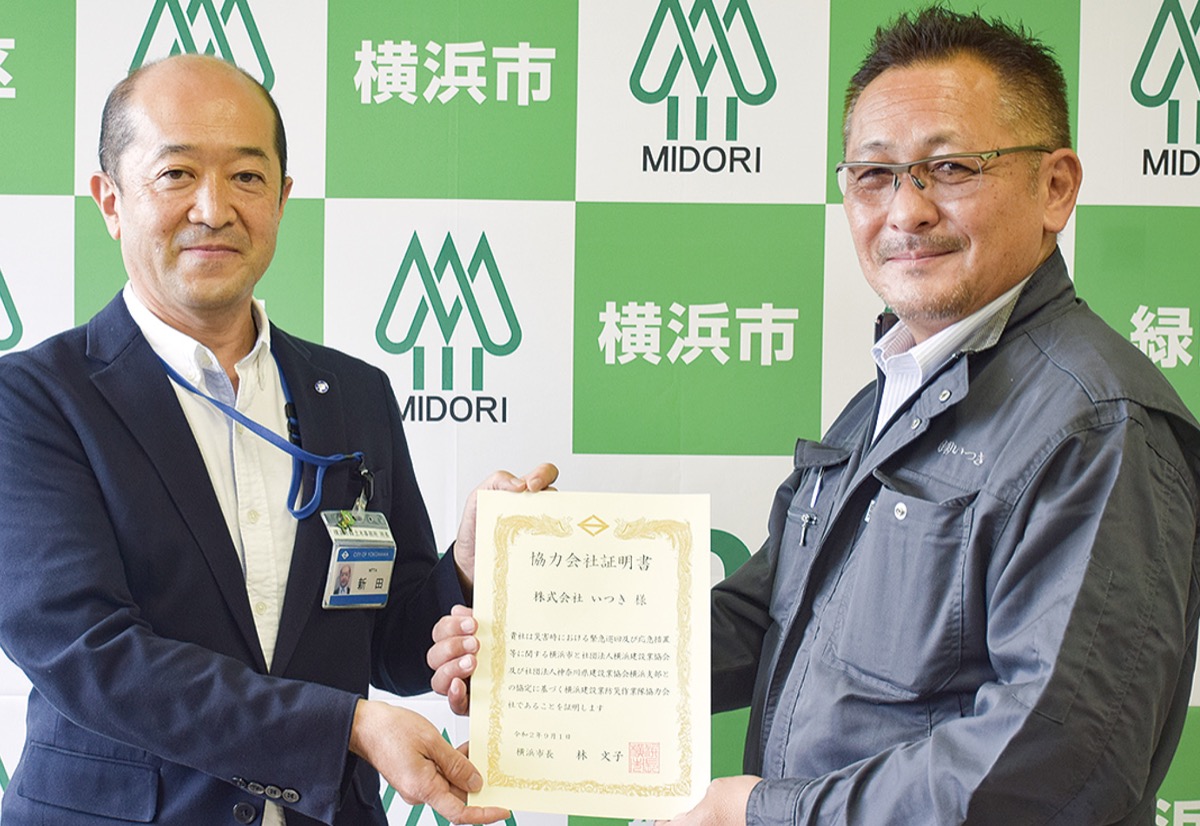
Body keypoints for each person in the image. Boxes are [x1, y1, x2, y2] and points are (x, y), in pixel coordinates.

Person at [428, 7, 1200, 824]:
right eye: (874, 175)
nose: (906, 210)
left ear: (1056, 187)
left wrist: (765, 813)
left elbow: (1058, 763)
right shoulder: (894, 389)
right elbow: (771, 620)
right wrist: (538, 656)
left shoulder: (1098, 425)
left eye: (950, 168)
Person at [0, 53, 554, 826]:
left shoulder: (353, 393)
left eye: (247, 177)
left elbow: (388, 641)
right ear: (111, 200)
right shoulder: (33, 399)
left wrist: (464, 569)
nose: (214, 209)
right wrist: (347, 726)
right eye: (176, 174)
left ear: (283, 198)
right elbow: (90, 656)